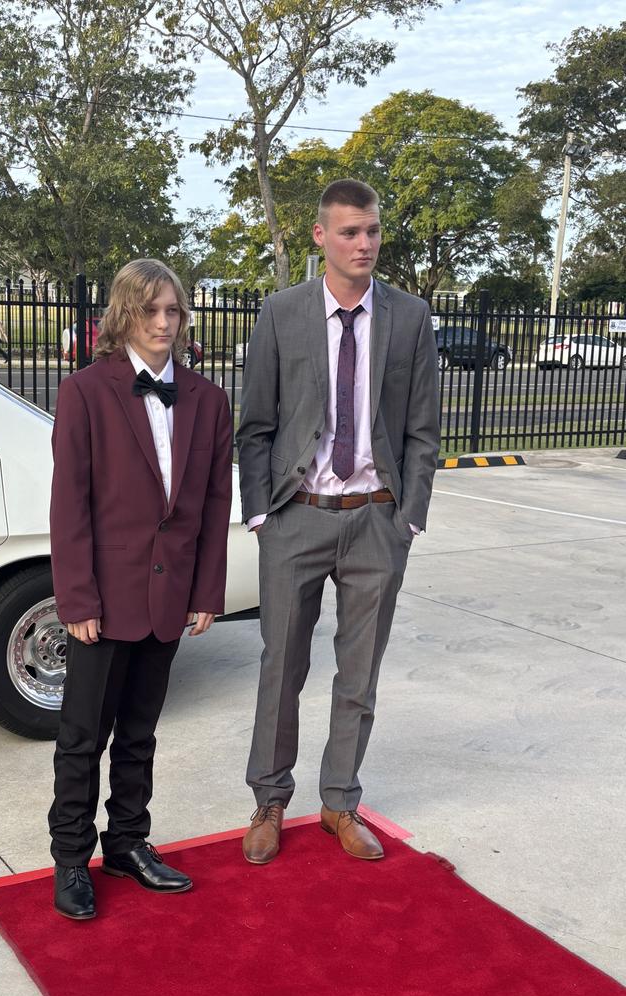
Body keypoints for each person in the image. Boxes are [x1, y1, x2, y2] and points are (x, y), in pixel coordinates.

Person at [237, 179, 440, 865]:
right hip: (298, 518)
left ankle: (340, 802)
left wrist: (407, 516)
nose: (365, 243)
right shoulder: (281, 312)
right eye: (351, 232)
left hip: (376, 521)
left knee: (359, 674)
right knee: (281, 667)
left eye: (373, 231)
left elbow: (422, 430)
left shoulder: (409, 318)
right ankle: (269, 798)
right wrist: (263, 512)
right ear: (320, 237)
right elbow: (256, 425)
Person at [48, 258, 232, 919]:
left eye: (173, 311)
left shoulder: (208, 400)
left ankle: (128, 842)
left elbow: (215, 501)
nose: (163, 323)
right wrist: (77, 599)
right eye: (150, 310)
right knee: (81, 737)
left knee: (140, 734)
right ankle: (71, 858)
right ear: (124, 315)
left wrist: (206, 589)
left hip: (170, 598)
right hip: (103, 599)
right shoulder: (86, 392)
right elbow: (69, 504)